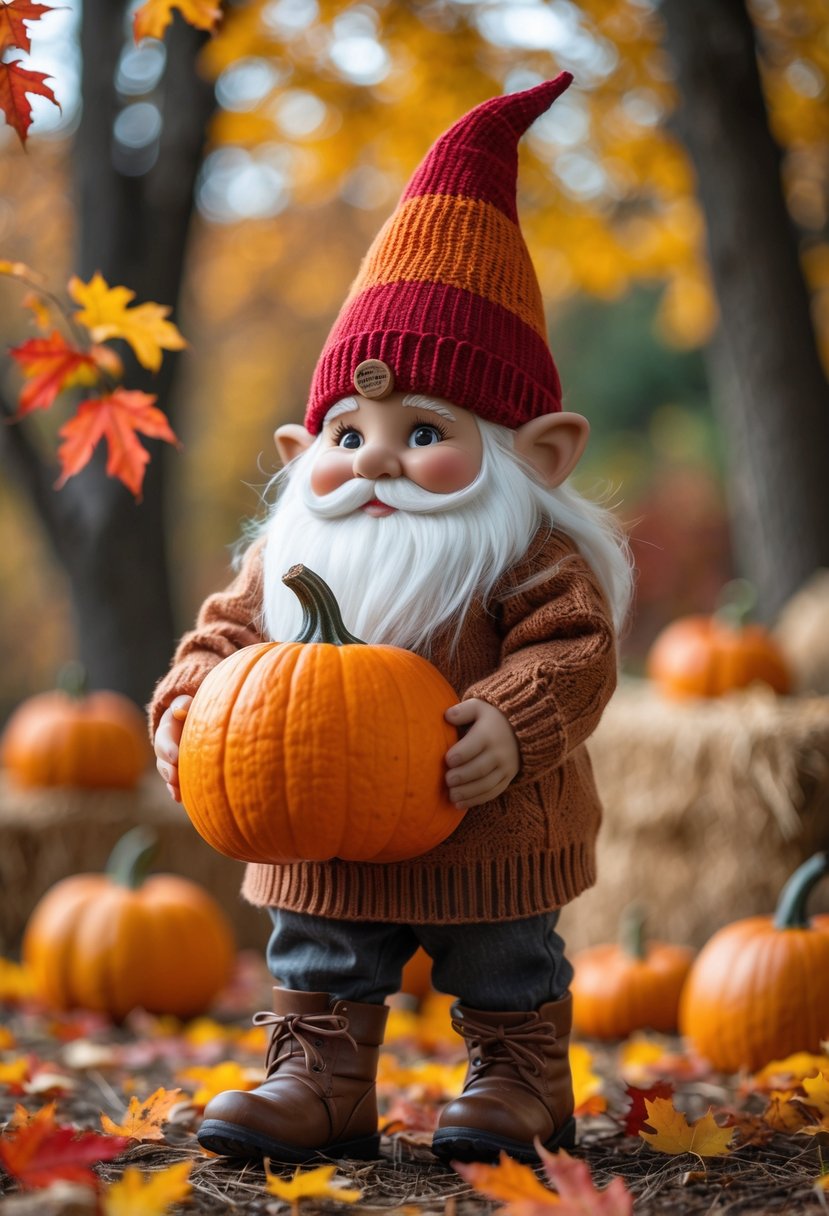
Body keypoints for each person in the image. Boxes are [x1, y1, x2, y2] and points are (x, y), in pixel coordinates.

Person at [149, 73, 633, 1167]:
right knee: (320, 952)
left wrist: (512, 719)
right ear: (299, 455)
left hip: (491, 823)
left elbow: (576, 653)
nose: (374, 458)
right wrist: (186, 705)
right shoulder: (291, 555)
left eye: (423, 432)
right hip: (320, 822)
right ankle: (319, 1077)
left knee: (506, 954)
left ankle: (520, 1075)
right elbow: (223, 640)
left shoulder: (528, 555)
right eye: (348, 432)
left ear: (535, 455)